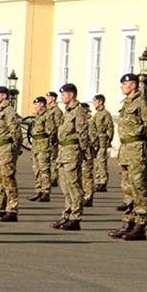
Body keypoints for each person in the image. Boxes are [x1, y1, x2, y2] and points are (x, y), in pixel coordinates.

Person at [107, 74, 147, 241]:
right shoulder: (127, 104)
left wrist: (145, 148)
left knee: (139, 189)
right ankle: (129, 222)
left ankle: (140, 224)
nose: (122, 86)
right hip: (126, 150)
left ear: (134, 85)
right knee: (128, 189)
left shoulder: (142, 104)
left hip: (137, 150)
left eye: (125, 84)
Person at [50, 84, 85, 231]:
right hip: (63, 152)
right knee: (65, 186)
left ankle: (75, 217)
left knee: (73, 185)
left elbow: (83, 133)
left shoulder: (78, 111)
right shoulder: (67, 112)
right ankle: (68, 214)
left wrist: (84, 152)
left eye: (64, 94)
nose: (62, 97)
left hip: (72, 152)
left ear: (71, 95)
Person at [0, 86, 22, 222]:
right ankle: (0, 209)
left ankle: (12, 210)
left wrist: (15, 149)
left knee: (8, 180)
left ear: (4, 96)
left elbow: (16, 133)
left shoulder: (9, 111)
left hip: (6, 150)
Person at [28, 96, 57, 203]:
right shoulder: (38, 116)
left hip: (44, 146)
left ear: (41, 104)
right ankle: (39, 190)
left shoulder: (47, 115)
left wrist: (47, 140)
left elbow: (51, 130)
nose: (35, 107)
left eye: (36, 104)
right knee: (37, 169)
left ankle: (46, 191)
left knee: (44, 169)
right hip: (36, 146)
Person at [91, 94, 113, 192]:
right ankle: (98, 180)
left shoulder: (105, 114)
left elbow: (110, 128)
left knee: (101, 161)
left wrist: (108, 140)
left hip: (102, 140)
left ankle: (103, 182)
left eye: (95, 101)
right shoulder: (96, 114)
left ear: (100, 102)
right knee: (96, 162)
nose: (93, 103)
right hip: (96, 140)